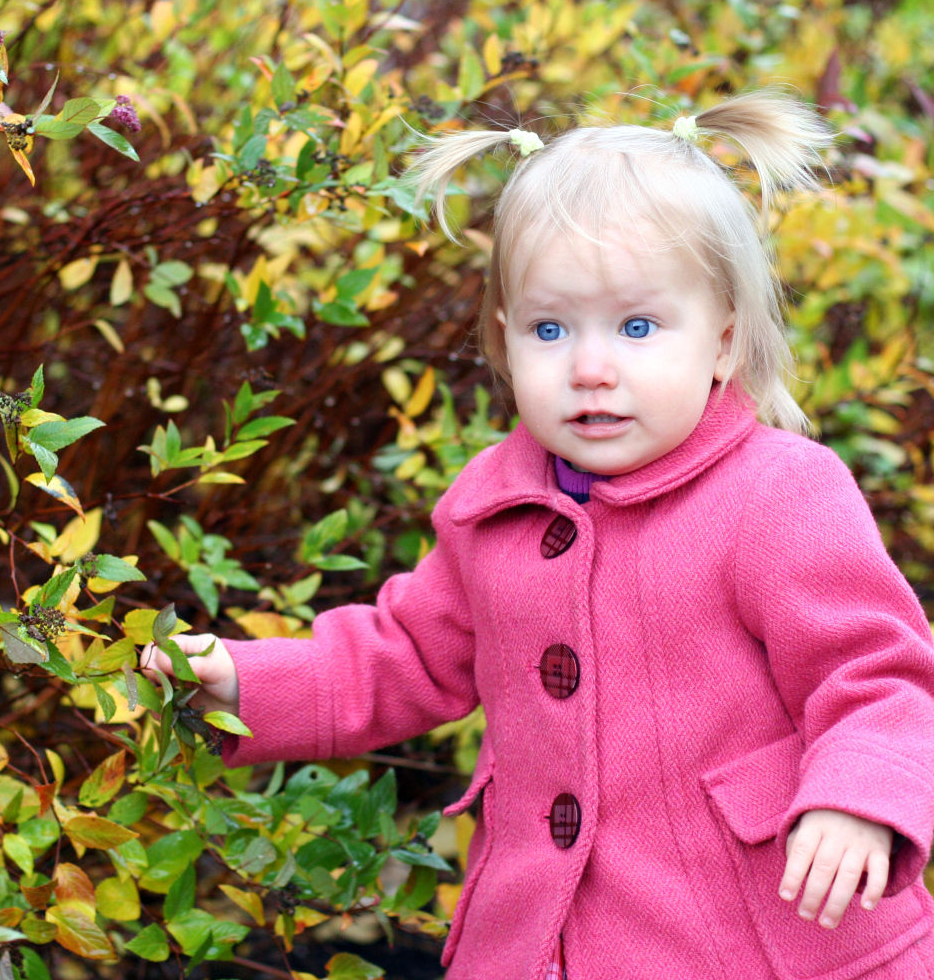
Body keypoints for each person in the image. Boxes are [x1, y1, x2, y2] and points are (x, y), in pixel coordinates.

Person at [140, 87, 934, 980]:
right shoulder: (493, 503)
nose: (590, 367)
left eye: (638, 327)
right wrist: (243, 681)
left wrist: (859, 796)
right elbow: (407, 657)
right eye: (550, 328)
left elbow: (879, 675)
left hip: (759, 938)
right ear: (504, 338)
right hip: (541, 939)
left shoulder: (777, 493)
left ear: (724, 342)